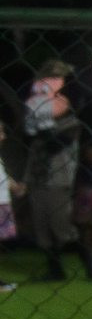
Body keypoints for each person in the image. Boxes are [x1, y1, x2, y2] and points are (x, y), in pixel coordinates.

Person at [19, 60, 92, 281]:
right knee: (42, 229)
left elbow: (55, 144)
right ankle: (55, 270)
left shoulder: (70, 123)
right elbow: (32, 145)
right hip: (37, 179)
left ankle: (88, 260)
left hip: (58, 179)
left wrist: (42, 124)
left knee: (61, 226)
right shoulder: (36, 122)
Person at [0, 122, 18, 293]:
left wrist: (16, 187)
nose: (4, 136)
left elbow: (4, 177)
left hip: (3, 203)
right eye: (0, 132)